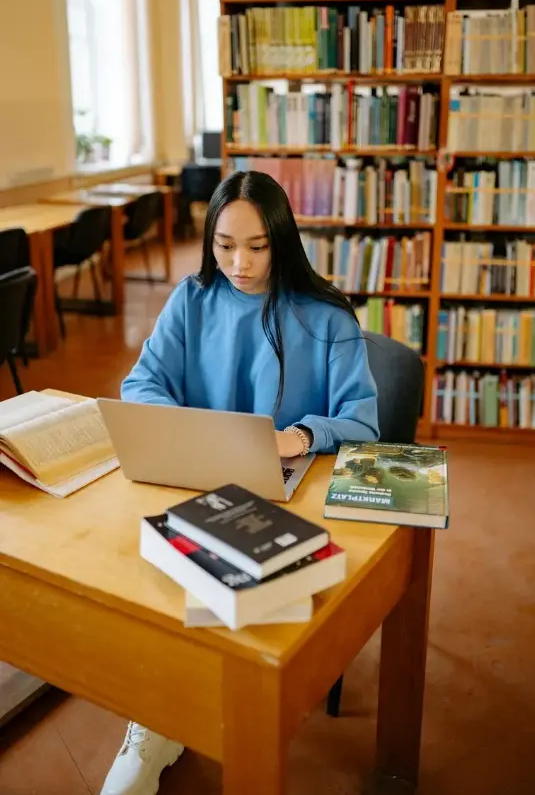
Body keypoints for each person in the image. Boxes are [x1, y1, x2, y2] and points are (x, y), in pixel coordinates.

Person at [101, 169, 379, 795]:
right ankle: (162, 721)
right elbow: (142, 384)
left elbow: (363, 419)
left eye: (257, 246)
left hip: (292, 498)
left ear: (283, 239)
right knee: (144, 576)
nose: (239, 263)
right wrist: (193, 434)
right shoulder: (192, 298)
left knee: (219, 596)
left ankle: (181, 722)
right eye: (225, 244)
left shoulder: (326, 314)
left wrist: (302, 436)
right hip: (197, 485)